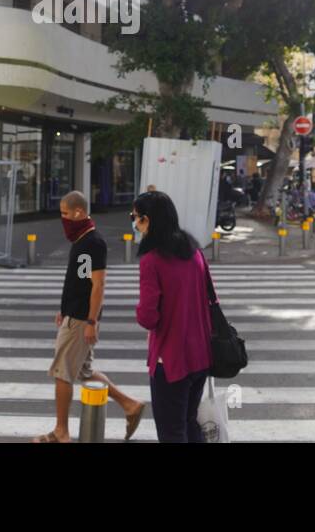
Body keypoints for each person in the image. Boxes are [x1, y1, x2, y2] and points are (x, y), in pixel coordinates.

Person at [34, 190, 146, 442]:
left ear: (79, 212)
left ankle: (61, 432)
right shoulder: (82, 240)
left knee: (62, 373)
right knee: (84, 372)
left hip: (81, 320)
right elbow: (79, 281)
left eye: (64, 213)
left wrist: (90, 322)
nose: (62, 219)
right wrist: (64, 307)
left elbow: (98, 285)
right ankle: (130, 405)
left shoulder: (92, 243)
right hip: (74, 315)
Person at [133, 190, 214, 443]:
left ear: (149, 220)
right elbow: (210, 297)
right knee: (190, 422)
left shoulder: (152, 261)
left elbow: (148, 317)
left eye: (136, 218)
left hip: (170, 360)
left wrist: (138, 310)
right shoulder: (194, 252)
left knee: (171, 432)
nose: (135, 224)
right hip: (201, 354)